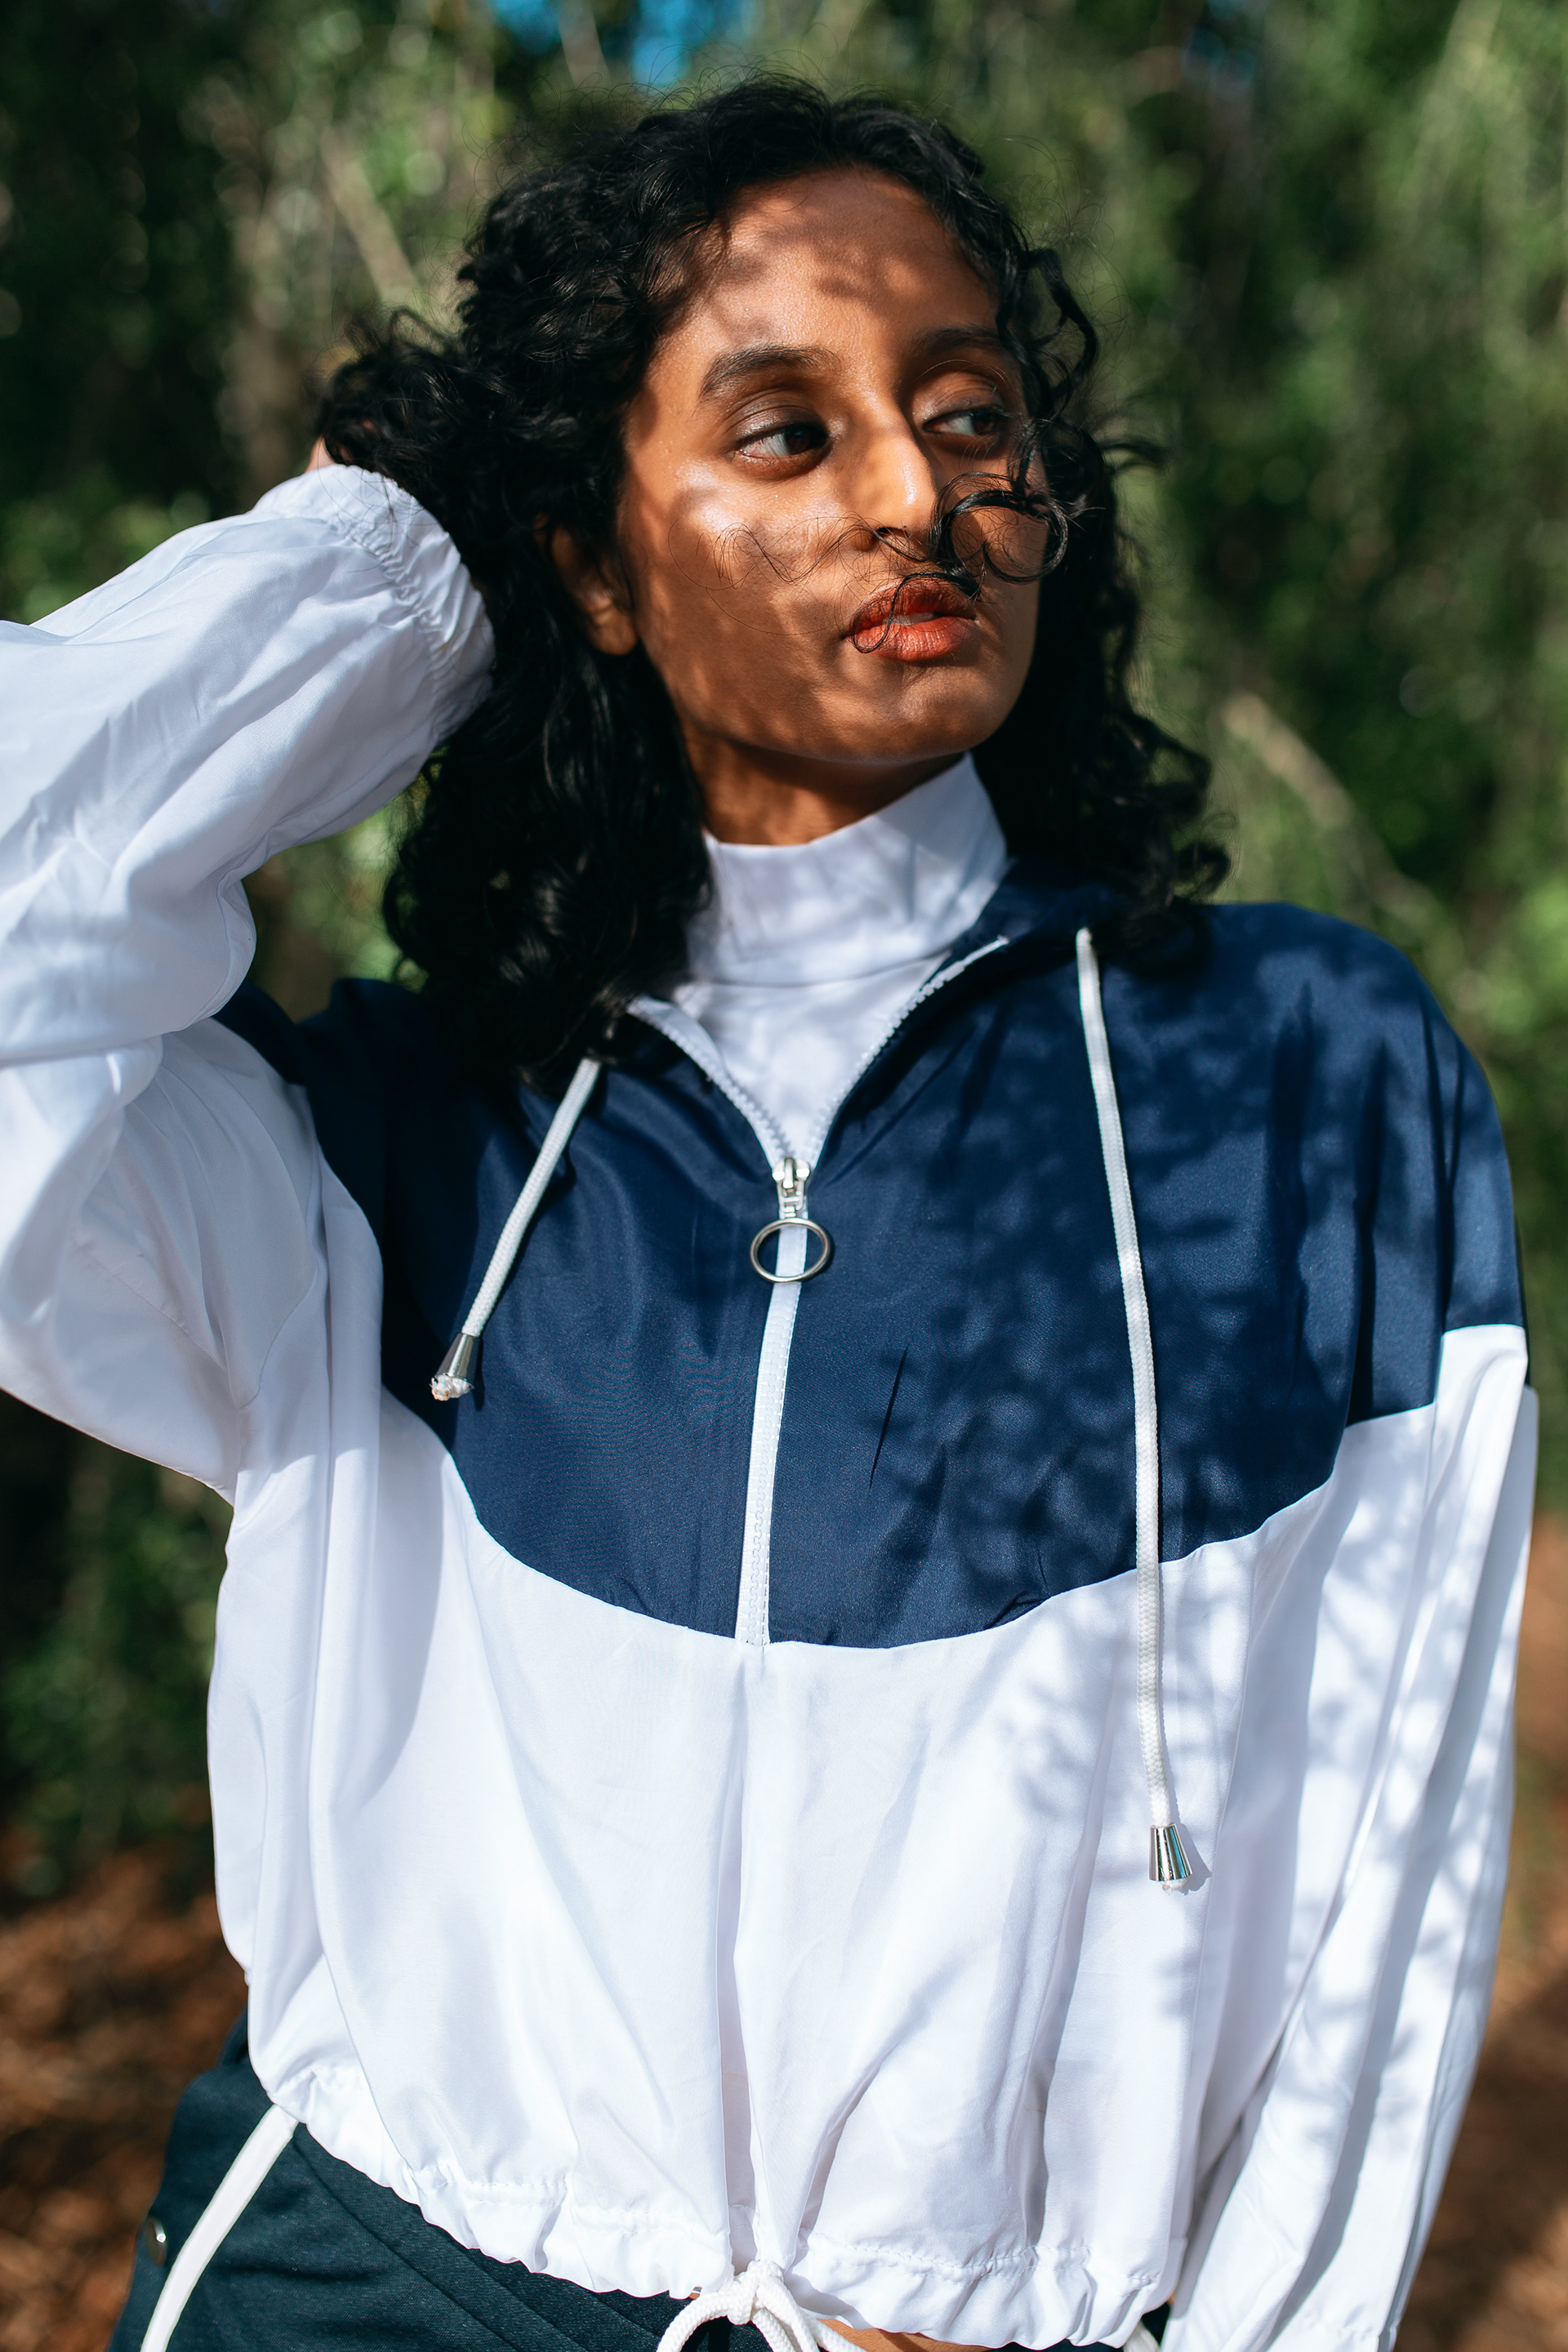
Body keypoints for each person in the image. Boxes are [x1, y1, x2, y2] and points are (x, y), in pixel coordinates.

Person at [0, 76, 1533, 2352]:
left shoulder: (1303, 1076)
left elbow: (1389, 1858)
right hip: (365, 2288)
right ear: (596, 573)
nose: (918, 494)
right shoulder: (398, 1141)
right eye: (789, 433)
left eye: (970, 414)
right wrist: (396, 565)